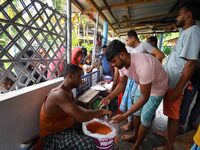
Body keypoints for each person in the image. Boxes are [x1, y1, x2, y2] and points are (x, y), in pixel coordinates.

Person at [100, 40, 168, 150]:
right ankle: (135, 135)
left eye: (113, 61)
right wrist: (109, 97)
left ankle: (137, 145)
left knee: (145, 118)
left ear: (122, 55)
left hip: (157, 88)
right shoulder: (121, 65)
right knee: (136, 112)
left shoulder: (143, 65)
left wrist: (125, 115)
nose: (113, 65)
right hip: (143, 84)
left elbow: (145, 97)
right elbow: (122, 84)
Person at [156, 1, 200, 150]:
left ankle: (169, 145)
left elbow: (191, 64)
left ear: (188, 14)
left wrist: (177, 89)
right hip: (172, 82)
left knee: (174, 116)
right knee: (171, 115)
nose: (177, 17)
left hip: (176, 85)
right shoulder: (187, 31)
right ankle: (169, 138)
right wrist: (175, 26)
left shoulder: (194, 32)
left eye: (179, 14)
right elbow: (179, 27)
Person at [40, 64, 112, 149]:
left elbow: (80, 110)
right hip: (53, 136)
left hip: (66, 127)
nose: (81, 80)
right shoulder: (59, 94)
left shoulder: (68, 91)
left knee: (92, 125)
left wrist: (94, 112)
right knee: (87, 143)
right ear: (70, 76)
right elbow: (81, 117)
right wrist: (101, 112)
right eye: (79, 77)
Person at [120, 30, 165, 132]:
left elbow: (160, 56)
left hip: (143, 78)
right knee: (130, 99)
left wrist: (150, 69)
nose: (126, 42)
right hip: (133, 79)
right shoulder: (131, 49)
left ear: (133, 38)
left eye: (127, 39)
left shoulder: (144, 45)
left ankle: (132, 123)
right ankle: (131, 122)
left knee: (136, 100)